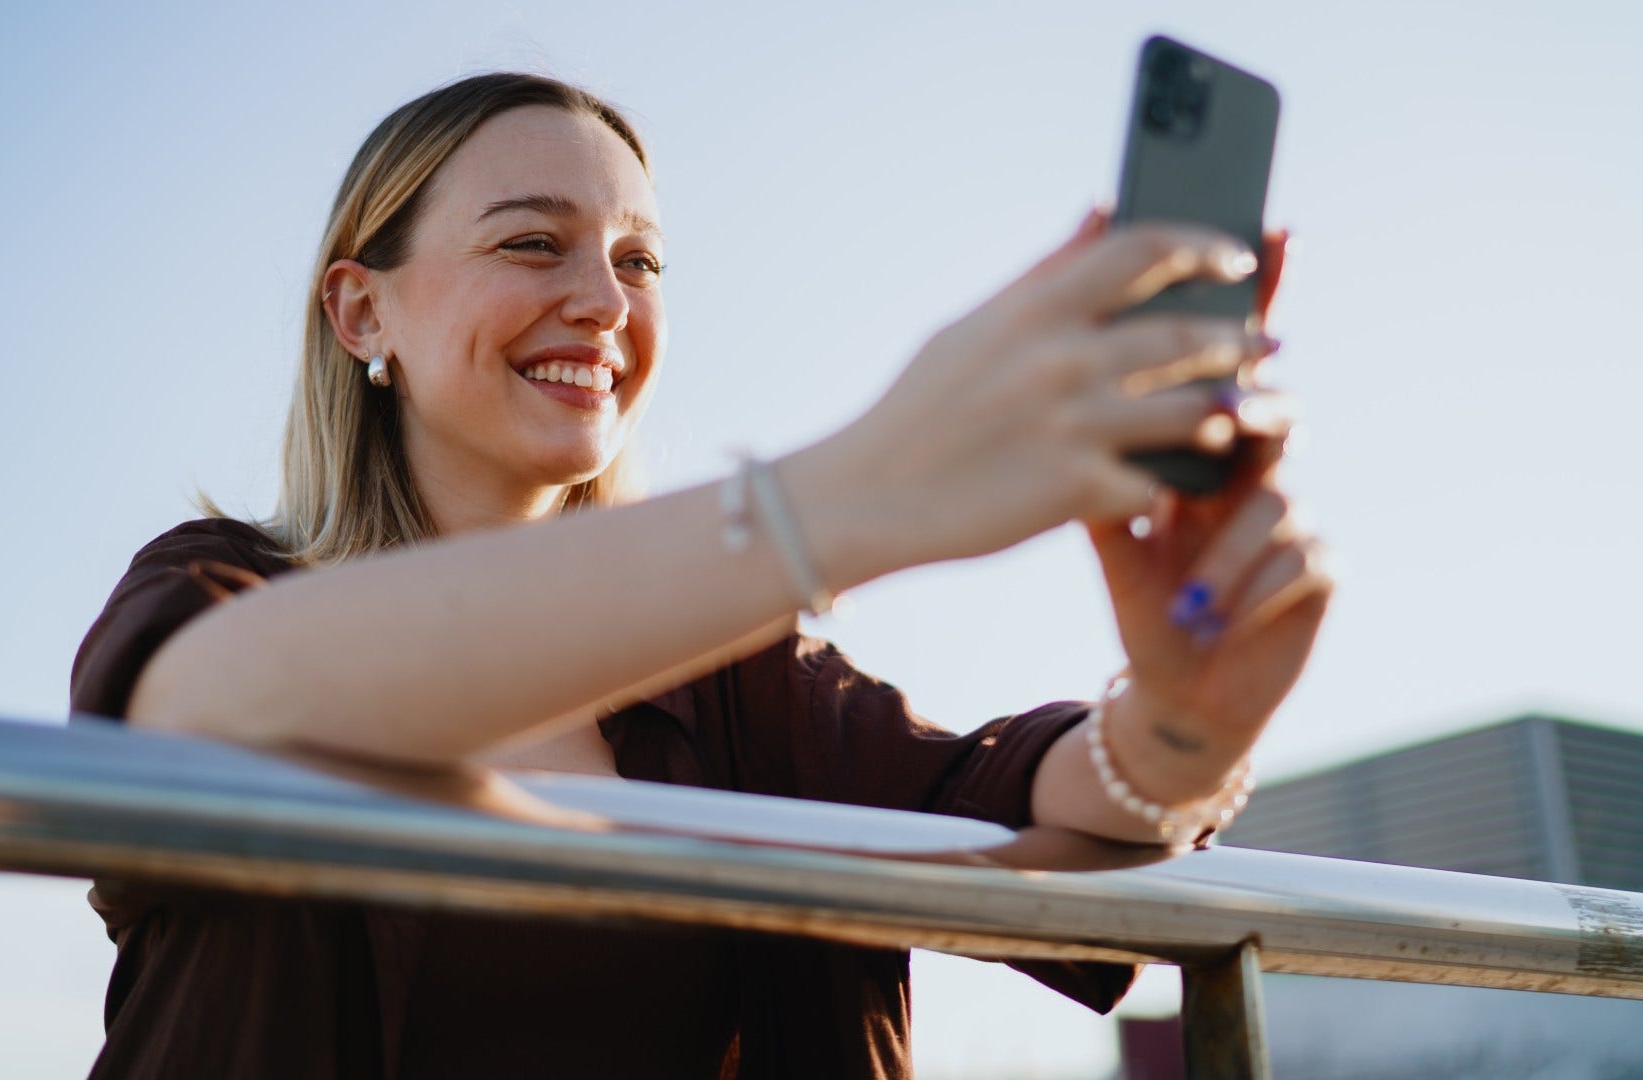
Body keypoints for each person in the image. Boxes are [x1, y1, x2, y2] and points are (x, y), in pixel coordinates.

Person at [70, 72, 1329, 1080]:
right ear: (360, 316)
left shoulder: (742, 680)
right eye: (531, 244)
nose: (603, 301)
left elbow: (1024, 807)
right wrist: (850, 499)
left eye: (640, 260)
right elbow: (211, 728)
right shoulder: (216, 592)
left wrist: (1185, 717)